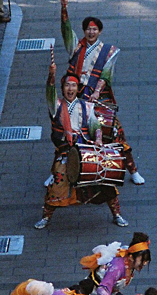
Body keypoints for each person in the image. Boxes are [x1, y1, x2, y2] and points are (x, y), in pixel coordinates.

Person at [60, 0, 144, 183]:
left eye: (94, 29)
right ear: (83, 31)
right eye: (88, 29)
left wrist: (96, 91)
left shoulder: (108, 51)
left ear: (99, 32)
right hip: (77, 96)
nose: (91, 32)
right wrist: (64, 10)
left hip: (99, 96)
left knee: (115, 130)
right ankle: (59, 170)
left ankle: (132, 169)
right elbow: (66, 30)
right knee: (66, 131)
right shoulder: (76, 46)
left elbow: (106, 73)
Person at [34, 69, 128, 230]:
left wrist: (98, 138)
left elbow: (95, 125)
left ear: (78, 89)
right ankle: (46, 216)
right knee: (57, 183)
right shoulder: (56, 106)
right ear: (62, 88)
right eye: (67, 86)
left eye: (73, 86)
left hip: (86, 149)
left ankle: (116, 214)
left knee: (104, 180)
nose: (70, 89)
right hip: (66, 152)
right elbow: (50, 91)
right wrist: (51, 77)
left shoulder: (87, 106)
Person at [75, 233, 152, 295]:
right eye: (142, 260)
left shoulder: (130, 261)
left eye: (146, 260)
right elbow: (102, 290)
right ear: (131, 257)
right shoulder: (117, 268)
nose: (145, 263)